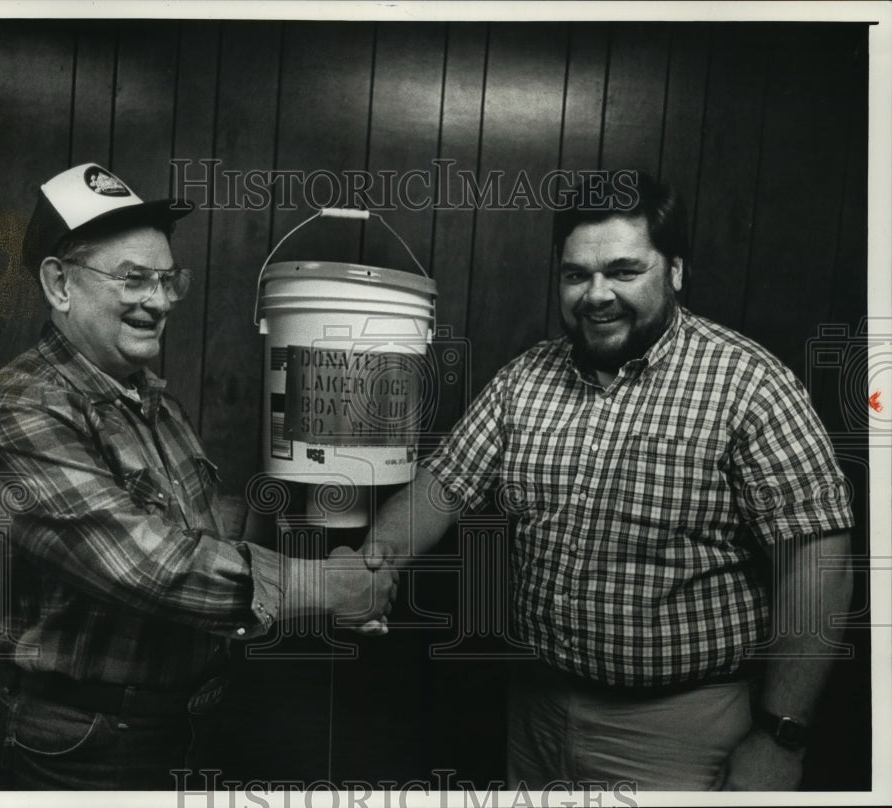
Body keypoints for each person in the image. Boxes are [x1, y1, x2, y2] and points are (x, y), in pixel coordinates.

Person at [364, 171, 854, 791]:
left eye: (624, 271)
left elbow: (818, 560)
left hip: (681, 729)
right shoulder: (525, 379)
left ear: (675, 271)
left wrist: (782, 736)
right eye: (577, 275)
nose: (596, 295)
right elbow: (443, 484)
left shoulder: (749, 384)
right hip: (537, 711)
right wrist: (373, 562)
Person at [0, 163, 396, 790]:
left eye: (169, 280)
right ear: (59, 284)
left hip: (183, 728)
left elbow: (198, 527)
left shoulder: (153, 402)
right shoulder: (17, 410)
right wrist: (326, 588)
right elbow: (149, 566)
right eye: (134, 279)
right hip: (76, 747)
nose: (161, 301)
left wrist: (325, 508)